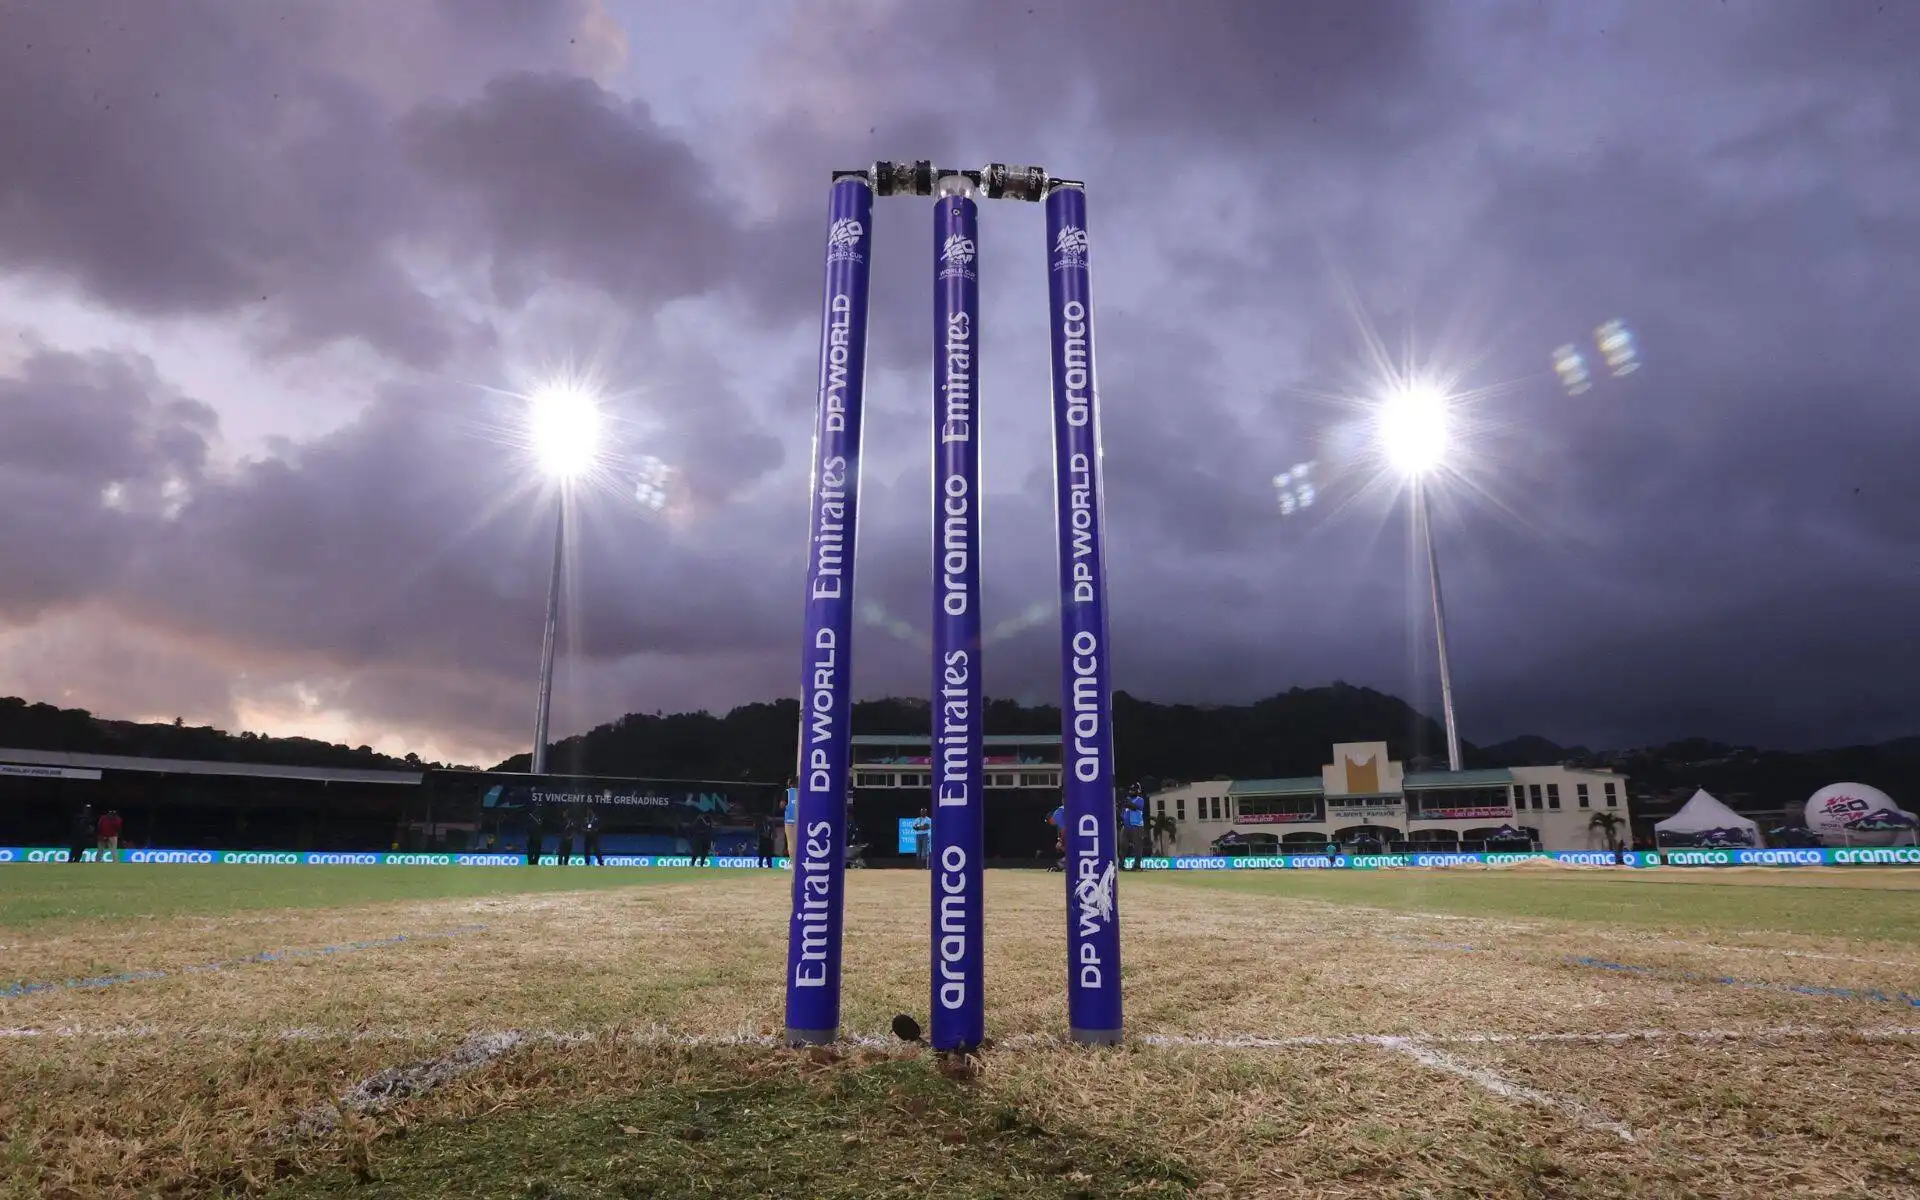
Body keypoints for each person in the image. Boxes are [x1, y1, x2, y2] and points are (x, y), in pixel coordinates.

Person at [1120, 784, 1148, 871]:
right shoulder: (1127, 800)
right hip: (1126, 826)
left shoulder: (1140, 800)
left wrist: (1128, 803)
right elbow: (1123, 812)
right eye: (1130, 790)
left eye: (1133, 790)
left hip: (1137, 826)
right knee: (1123, 846)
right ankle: (1121, 865)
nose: (1131, 792)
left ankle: (1137, 866)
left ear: (1137, 791)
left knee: (1137, 846)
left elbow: (1136, 807)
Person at [782, 777, 799, 868]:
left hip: (790, 821)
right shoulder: (803, 792)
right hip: (800, 820)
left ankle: (793, 863)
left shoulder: (787, 792)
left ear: (790, 783)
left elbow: (782, 805)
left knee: (791, 842)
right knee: (799, 842)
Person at [1046, 799, 1066, 872]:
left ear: (1051, 818)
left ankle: (1060, 865)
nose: (1051, 824)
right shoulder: (1061, 813)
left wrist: (1060, 842)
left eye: (1049, 822)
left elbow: (1064, 830)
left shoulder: (1057, 814)